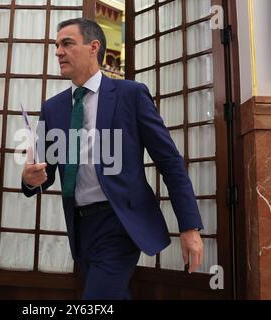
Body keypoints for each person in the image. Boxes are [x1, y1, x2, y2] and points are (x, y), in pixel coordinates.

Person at [21, 18, 204, 300]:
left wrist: (189, 227)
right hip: (80, 227)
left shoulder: (131, 95)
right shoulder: (53, 108)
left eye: (67, 43)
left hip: (120, 222)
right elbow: (45, 172)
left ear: (94, 47)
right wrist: (30, 180)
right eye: (56, 45)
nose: (58, 51)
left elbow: (170, 162)